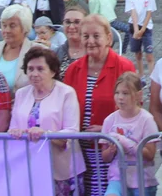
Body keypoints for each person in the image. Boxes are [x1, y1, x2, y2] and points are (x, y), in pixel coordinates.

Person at [62, 15, 136, 196]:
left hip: (112, 150)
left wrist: (106, 129)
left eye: (96, 36)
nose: (91, 41)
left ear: (108, 38)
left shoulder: (124, 66)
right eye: (86, 36)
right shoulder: (73, 69)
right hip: (80, 151)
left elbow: (134, 112)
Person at [8, 48, 84, 195]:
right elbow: (14, 126)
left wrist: (46, 134)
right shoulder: (21, 94)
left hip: (62, 169)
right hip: (29, 168)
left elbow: (72, 131)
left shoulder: (66, 93)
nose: (34, 74)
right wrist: (16, 132)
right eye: (30, 69)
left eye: (40, 69)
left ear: (53, 71)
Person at [99, 74, 158, 196]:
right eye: (117, 93)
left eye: (125, 93)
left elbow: (150, 155)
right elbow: (104, 157)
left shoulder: (146, 120)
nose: (120, 98)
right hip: (118, 177)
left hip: (142, 179)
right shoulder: (110, 120)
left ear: (138, 95)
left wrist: (125, 142)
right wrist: (111, 150)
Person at [0, 5, 46, 90]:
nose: (6, 30)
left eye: (12, 26)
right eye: (4, 25)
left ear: (24, 28)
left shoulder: (41, 52)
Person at [56, 7, 87, 73]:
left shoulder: (94, 52)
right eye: (67, 22)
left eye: (77, 22)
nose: (71, 26)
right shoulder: (56, 53)